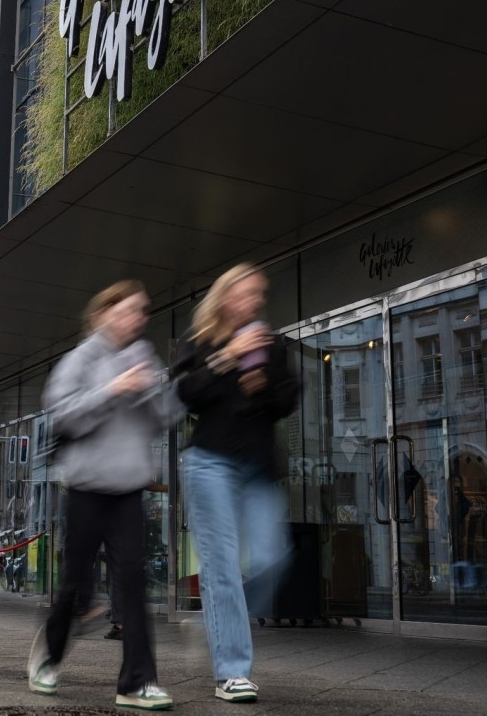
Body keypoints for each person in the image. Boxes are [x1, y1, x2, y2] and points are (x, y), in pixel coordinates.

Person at [27, 280, 176, 711]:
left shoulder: (142, 355)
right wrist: (112, 391)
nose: (136, 319)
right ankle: (49, 657)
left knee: (132, 582)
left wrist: (156, 391)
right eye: (128, 310)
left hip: (129, 487)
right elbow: (63, 415)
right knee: (75, 584)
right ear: (103, 314)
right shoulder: (79, 359)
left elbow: (163, 419)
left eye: (142, 312)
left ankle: (136, 682)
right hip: (88, 487)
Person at [172, 263, 298, 704]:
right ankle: (232, 670)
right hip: (210, 462)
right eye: (246, 294)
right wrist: (228, 357)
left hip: (258, 465)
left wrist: (263, 384)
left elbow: (288, 398)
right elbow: (187, 394)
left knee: (272, 558)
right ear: (226, 297)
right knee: (222, 565)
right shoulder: (201, 339)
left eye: (259, 295)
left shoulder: (272, 343)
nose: (254, 302)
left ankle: (223, 617)